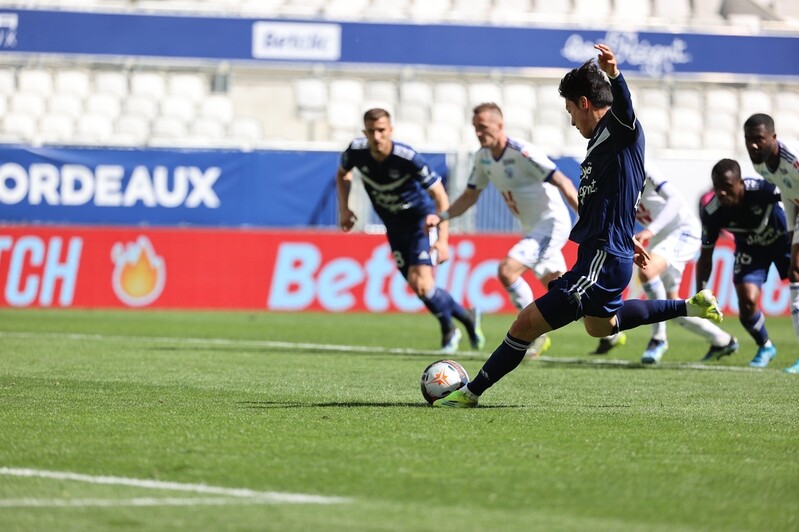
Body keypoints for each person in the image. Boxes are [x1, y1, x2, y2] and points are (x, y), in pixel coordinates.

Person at [433, 44, 722, 408]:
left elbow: (626, 108)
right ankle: (689, 307)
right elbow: (609, 198)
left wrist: (615, 75)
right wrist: (623, 234)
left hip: (601, 258)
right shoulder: (601, 143)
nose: (571, 120)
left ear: (584, 103)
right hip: (606, 252)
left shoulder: (620, 129)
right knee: (600, 327)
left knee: (525, 325)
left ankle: (469, 393)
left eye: (571, 110)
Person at [425, 102, 579, 358]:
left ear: (500, 125)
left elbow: (563, 181)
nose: (478, 133)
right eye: (475, 128)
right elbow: (470, 196)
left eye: (483, 127)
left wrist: (587, 217)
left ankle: (534, 334)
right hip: (531, 228)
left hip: (551, 223)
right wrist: (442, 216)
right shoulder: (483, 158)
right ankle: (610, 328)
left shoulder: (521, 152)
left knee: (507, 270)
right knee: (563, 291)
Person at [336, 108, 484, 354]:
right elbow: (342, 175)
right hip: (393, 228)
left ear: (390, 130)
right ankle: (466, 317)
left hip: (420, 223)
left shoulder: (407, 157)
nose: (377, 136)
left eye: (381, 130)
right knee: (419, 287)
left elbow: (440, 195)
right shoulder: (355, 152)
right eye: (371, 131)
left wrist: (443, 239)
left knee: (424, 285)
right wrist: (344, 208)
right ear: (365, 132)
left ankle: (449, 329)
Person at [594, 163, 739, 364]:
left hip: (682, 230)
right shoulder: (608, 180)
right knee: (674, 308)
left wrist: (650, 231)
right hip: (659, 239)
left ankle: (659, 338)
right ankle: (723, 340)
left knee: (647, 270)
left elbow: (675, 201)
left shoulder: (640, 167)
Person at [696, 158, 790, 368]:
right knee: (746, 302)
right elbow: (706, 255)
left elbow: (792, 194)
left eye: (727, 187)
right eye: (717, 187)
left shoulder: (762, 190)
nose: (721, 193)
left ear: (741, 183)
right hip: (751, 250)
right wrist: (700, 291)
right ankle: (765, 345)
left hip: (783, 243)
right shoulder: (711, 212)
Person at [743, 113, 799, 374]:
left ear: (774, 138)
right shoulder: (761, 166)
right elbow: (789, 195)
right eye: (748, 140)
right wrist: (791, 231)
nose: (753, 145)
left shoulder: (793, 162)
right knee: (795, 271)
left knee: (796, 270)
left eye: (759, 139)